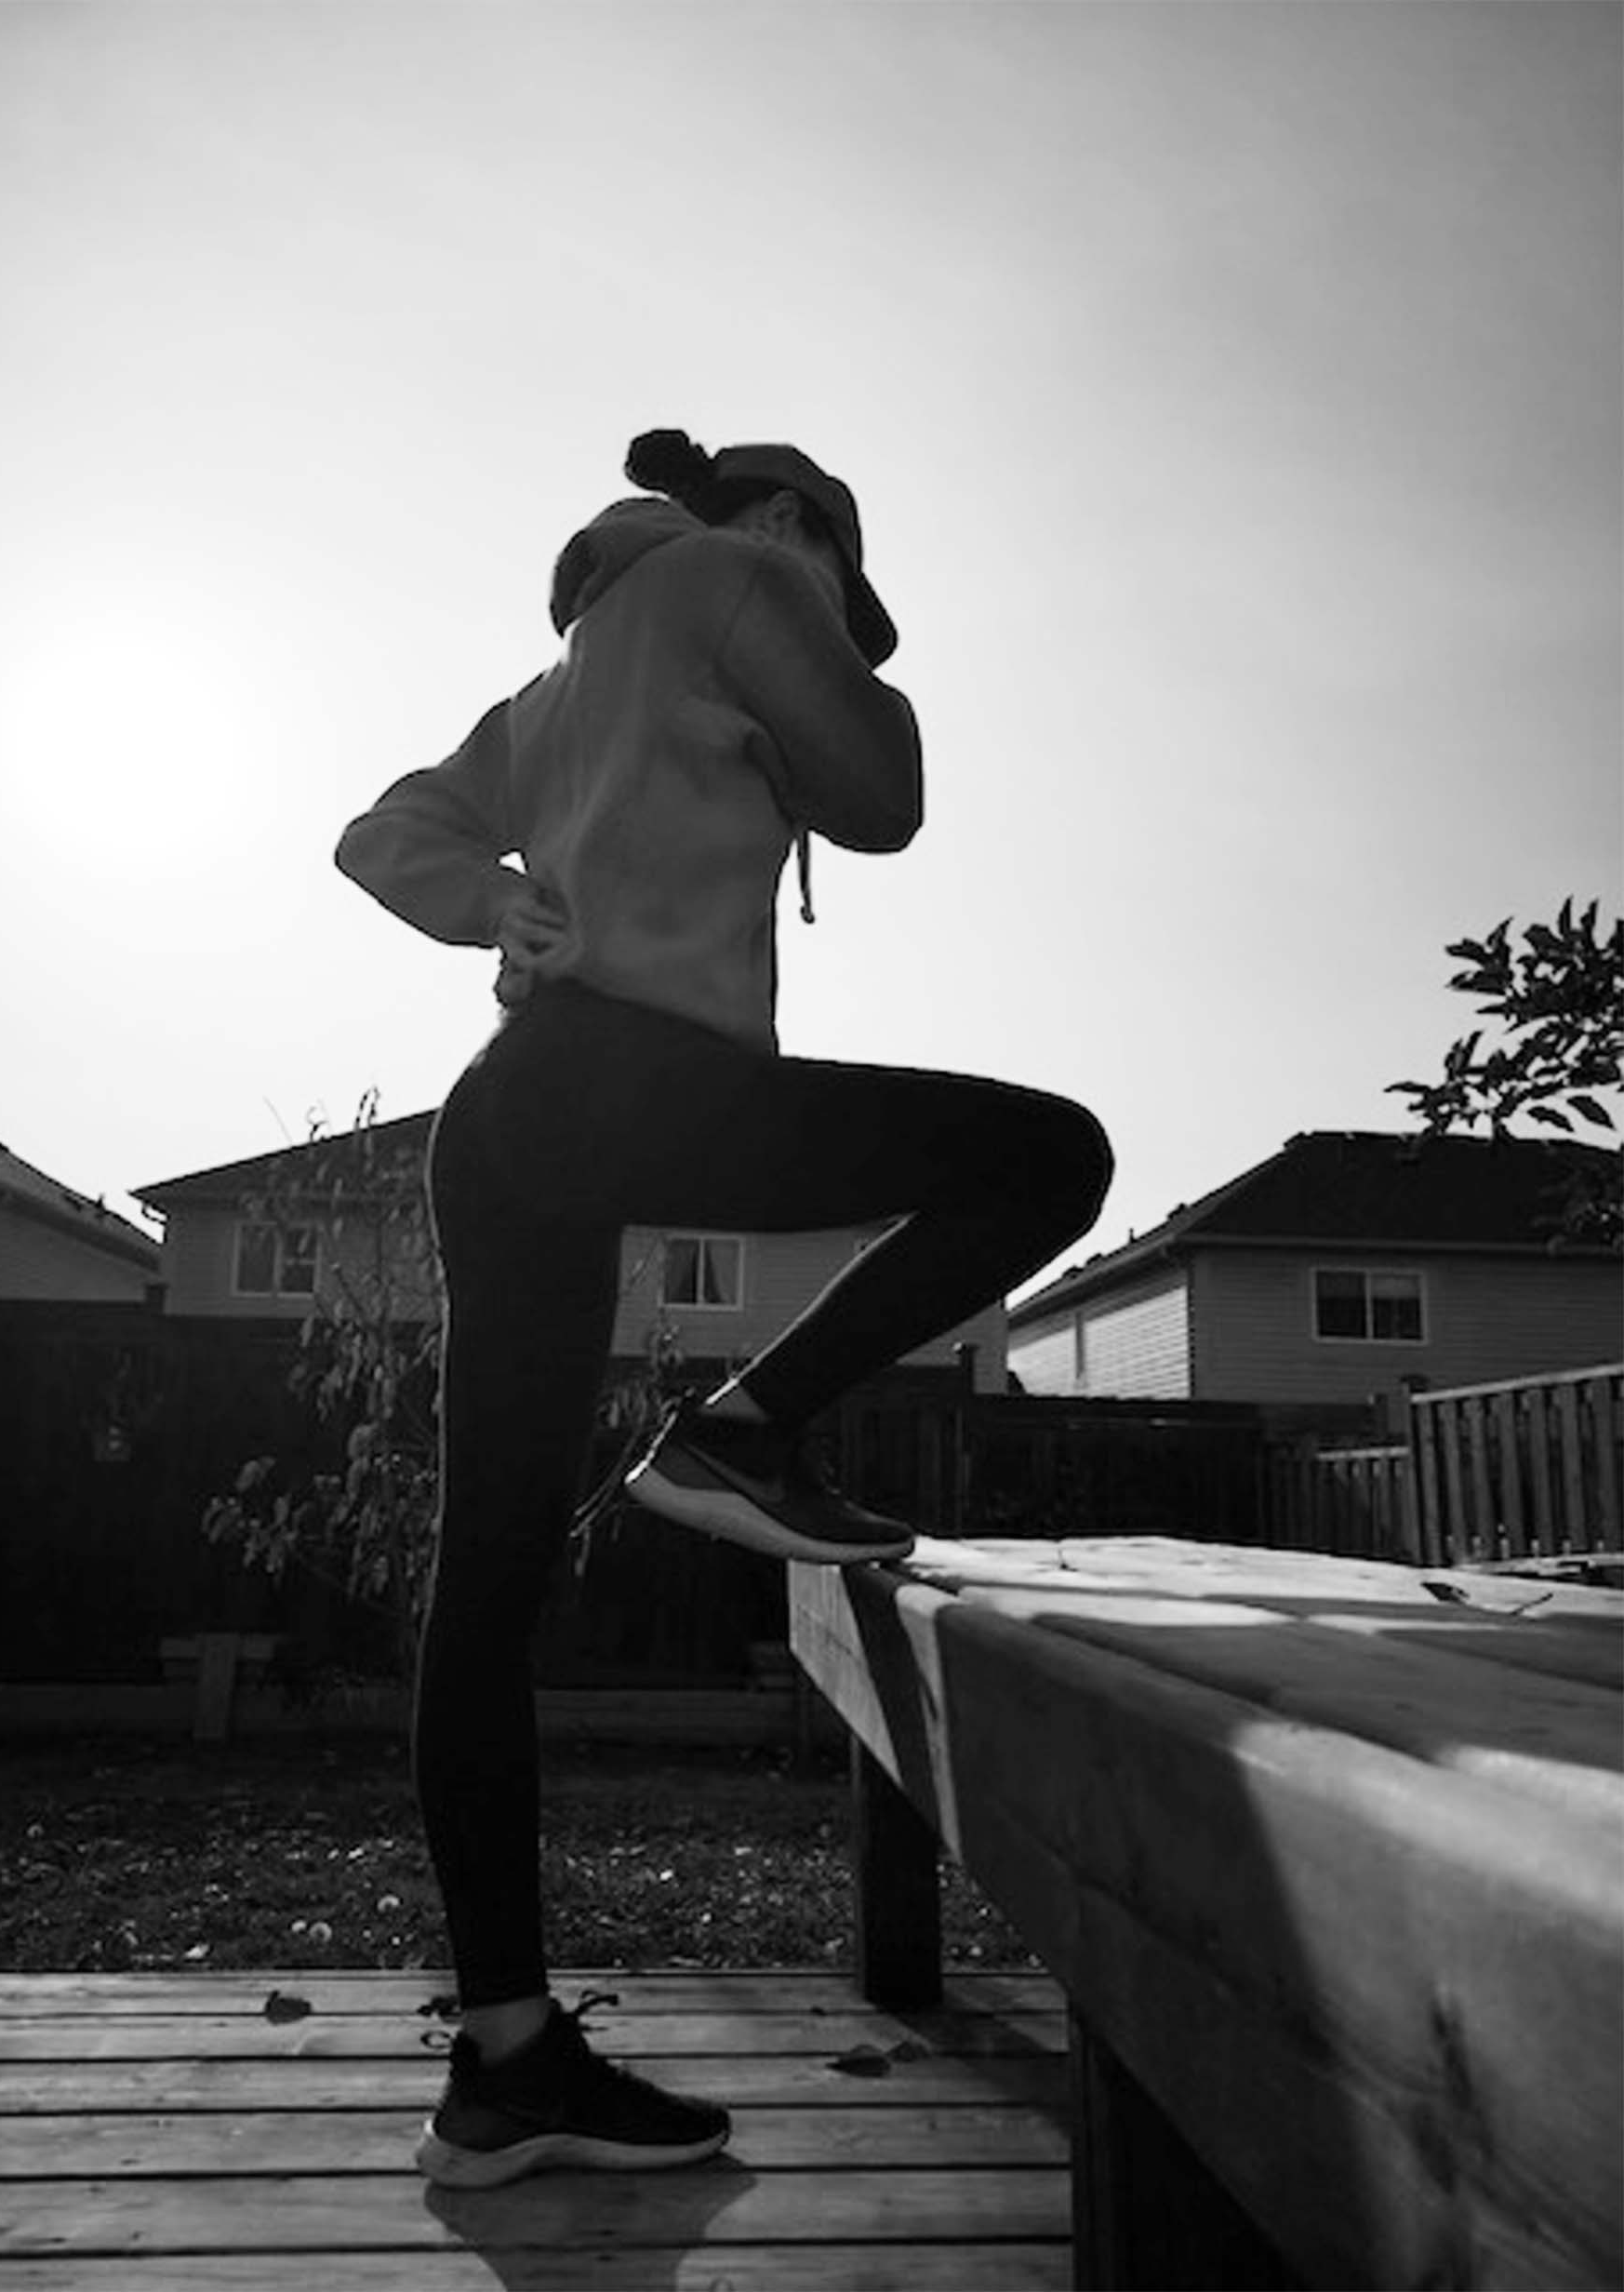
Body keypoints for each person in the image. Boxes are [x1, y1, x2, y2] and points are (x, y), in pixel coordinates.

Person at [335, 427, 1113, 2190]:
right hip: (642, 1080)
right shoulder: (741, 574)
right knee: (1051, 1157)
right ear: (791, 525)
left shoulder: (562, 679)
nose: (840, 613)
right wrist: (807, 605)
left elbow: (385, 831)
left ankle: (506, 2060)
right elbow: (888, 794)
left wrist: (495, 907)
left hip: (515, 1106)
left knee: (488, 1579)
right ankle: (742, 1431)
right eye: (840, 570)